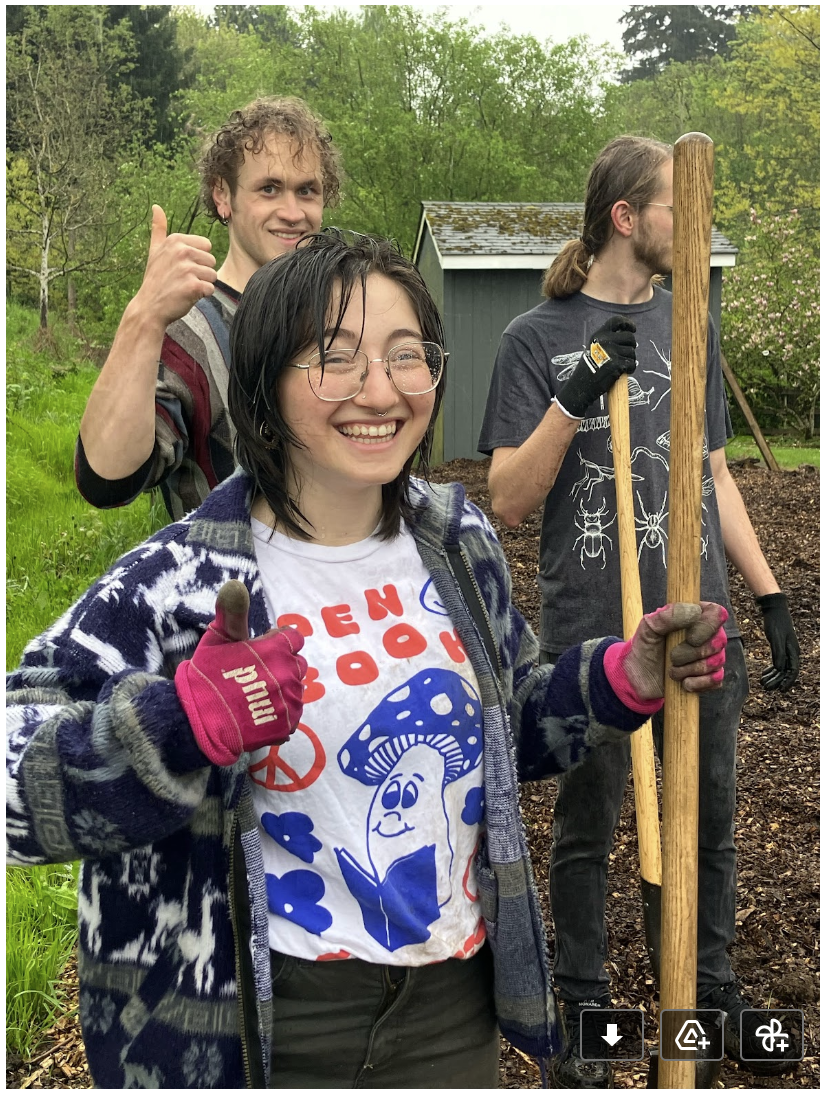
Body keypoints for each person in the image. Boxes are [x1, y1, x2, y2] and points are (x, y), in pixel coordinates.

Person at [6, 230, 729, 1090]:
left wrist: (618, 680)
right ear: (264, 383)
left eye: (406, 355)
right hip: (254, 1021)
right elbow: (15, 790)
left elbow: (504, 727)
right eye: (335, 358)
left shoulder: (456, 540)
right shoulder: (177, 582)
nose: (380, 391)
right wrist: (178, 727)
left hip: (449, 1008)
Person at [477, 135, 801, 1087]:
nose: (695, 227)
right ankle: (584, 1015)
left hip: (697, 628)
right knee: (590, 832)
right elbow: (507, 498)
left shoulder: (689, 322)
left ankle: (706, 998)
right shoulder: (534, 337)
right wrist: (576, 393)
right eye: (678, 208)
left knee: (709, 823)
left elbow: (713, 478)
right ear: (626, 217)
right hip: (595, 634)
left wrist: (769, 591)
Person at [75, 95, 342, 520]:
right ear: (223, 196)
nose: (293, 213)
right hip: (228, 562)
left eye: (306, 190)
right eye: (269, 189)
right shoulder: (188, 332)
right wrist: (144, 317)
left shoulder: (342, 319)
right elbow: (107, 481)